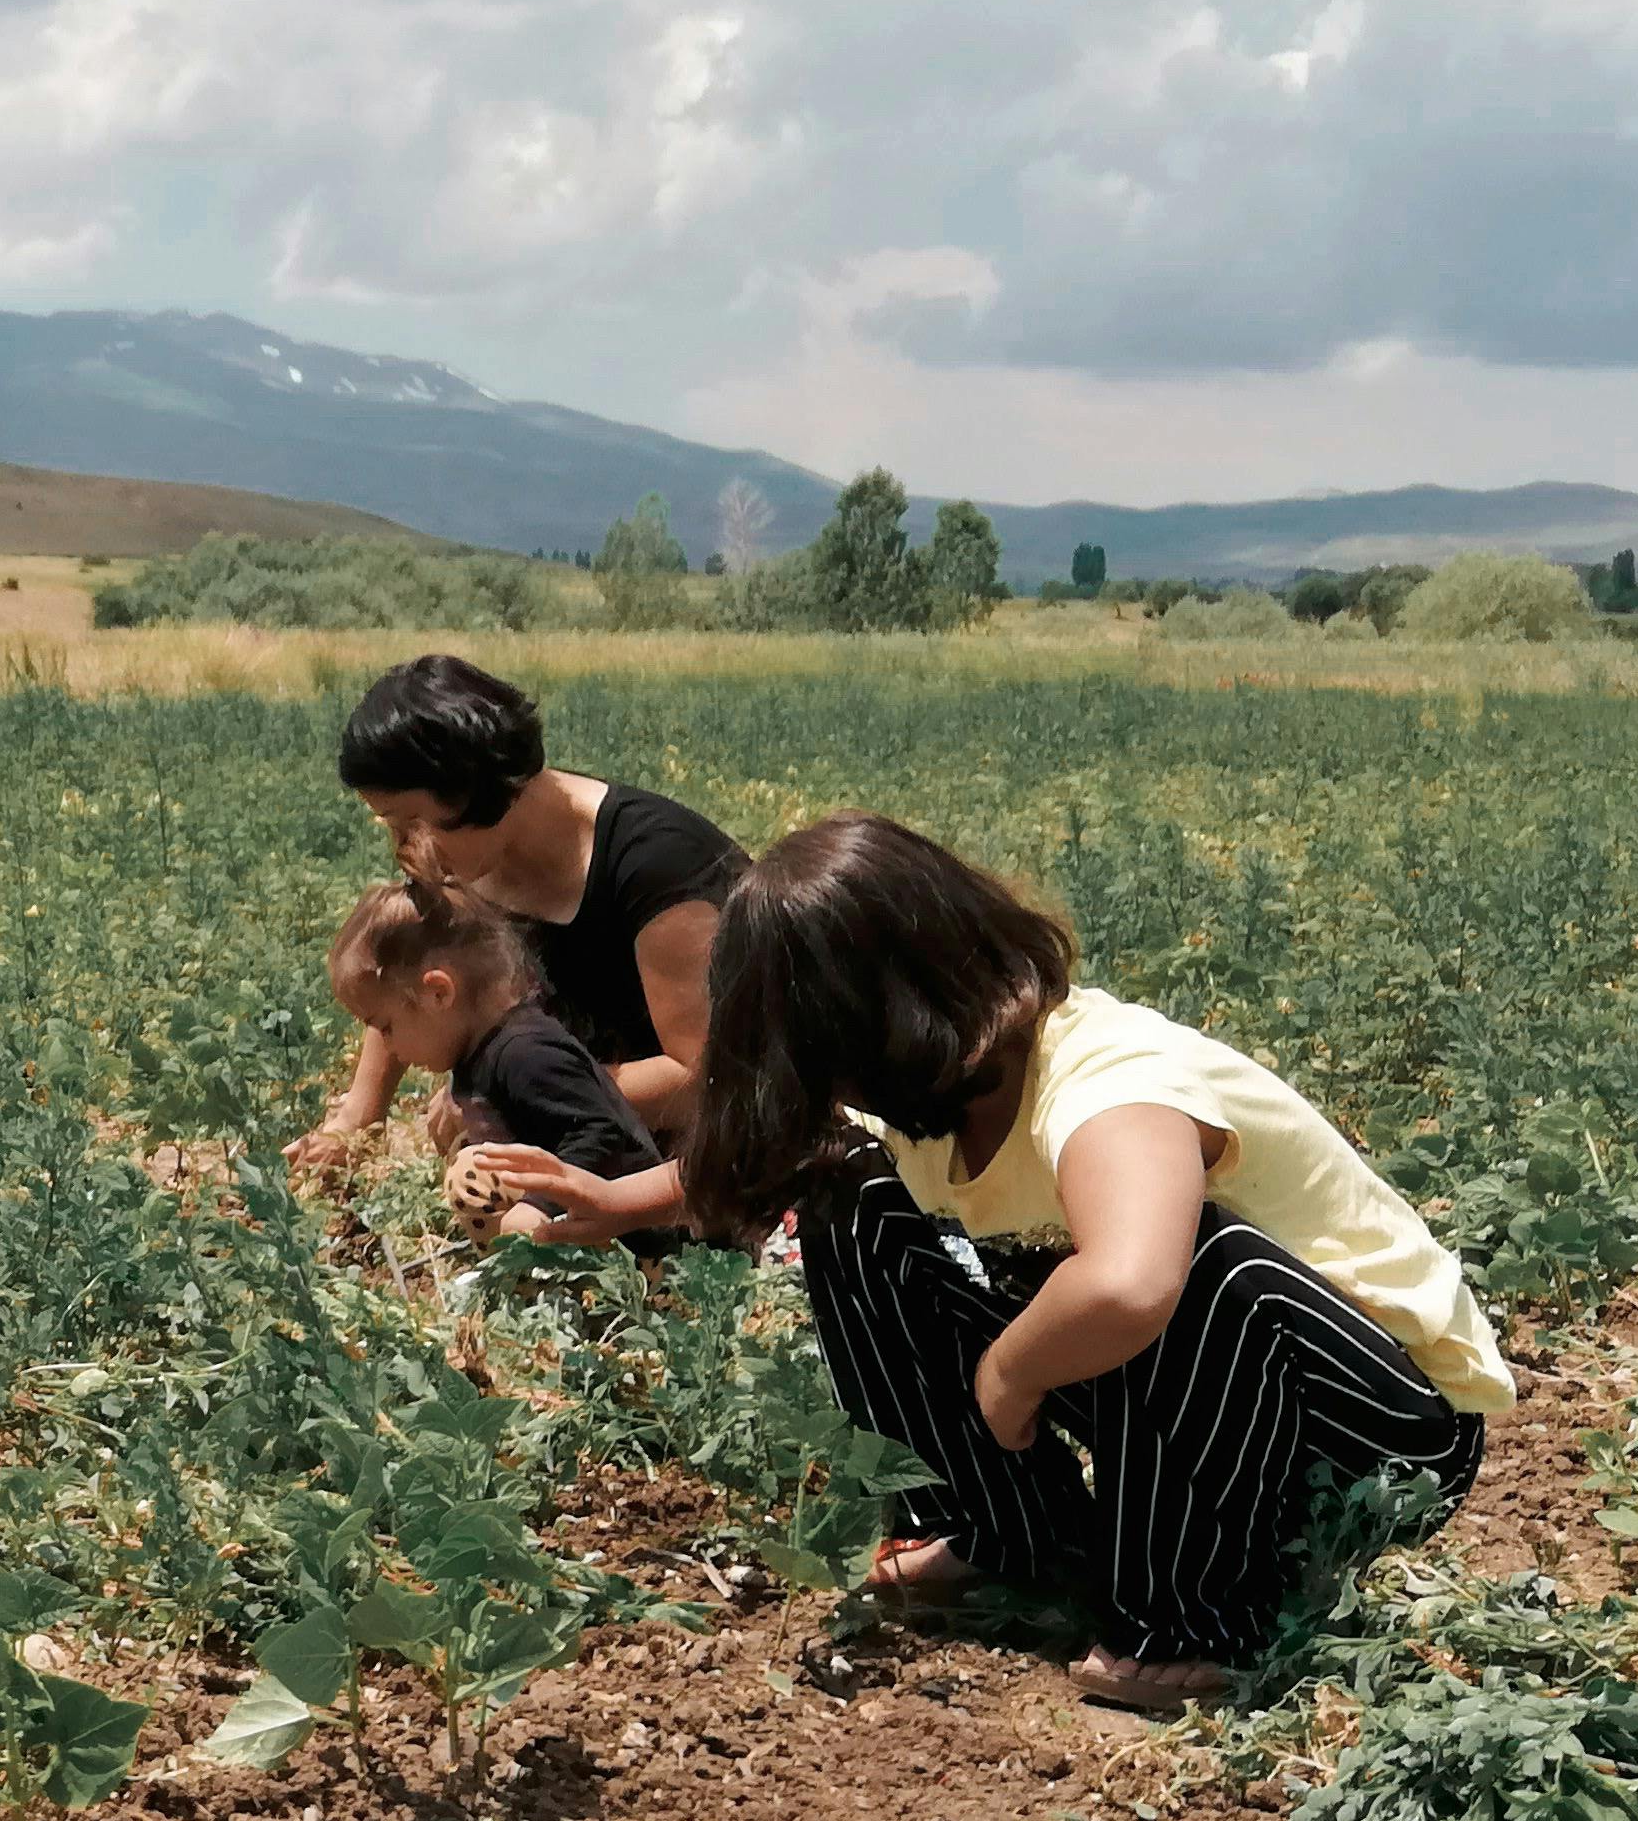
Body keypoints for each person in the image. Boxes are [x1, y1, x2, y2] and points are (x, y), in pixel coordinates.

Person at [684, 814, 1511, 1714]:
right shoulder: (944, 1088)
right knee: (847, 1193)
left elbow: (1129, 1284)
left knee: (1193, 1260)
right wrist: (610, 1197)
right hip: (1207, 1392)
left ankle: (1189, 1623)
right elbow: (781, 1154)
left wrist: (1010, 1370)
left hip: (1376, 1433)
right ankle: (1004, 1532)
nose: (828, 1090)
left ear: (884, 1028)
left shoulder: (1110, 1082)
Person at [300, 655, 748, 1167]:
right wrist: (356, 1121)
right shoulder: (462, 857)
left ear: (476, 789)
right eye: (391, 825)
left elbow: (702, 1081)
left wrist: (509, 1102)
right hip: (586, 1145)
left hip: (705, 1168)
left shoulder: (658, 869)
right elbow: (400, 965)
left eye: (412, 821)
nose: (405, 846)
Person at [323, 882, 670, 1247]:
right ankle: (520, 1272)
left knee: (473, 1172)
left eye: (386, 1027)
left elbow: (602, 1133)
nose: (388, 1048)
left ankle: (535, 1277)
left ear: (438, 993)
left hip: (635, 1240)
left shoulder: (525, 1054)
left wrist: (540, 1206)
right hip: (590, 1228)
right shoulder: (480, 1052)